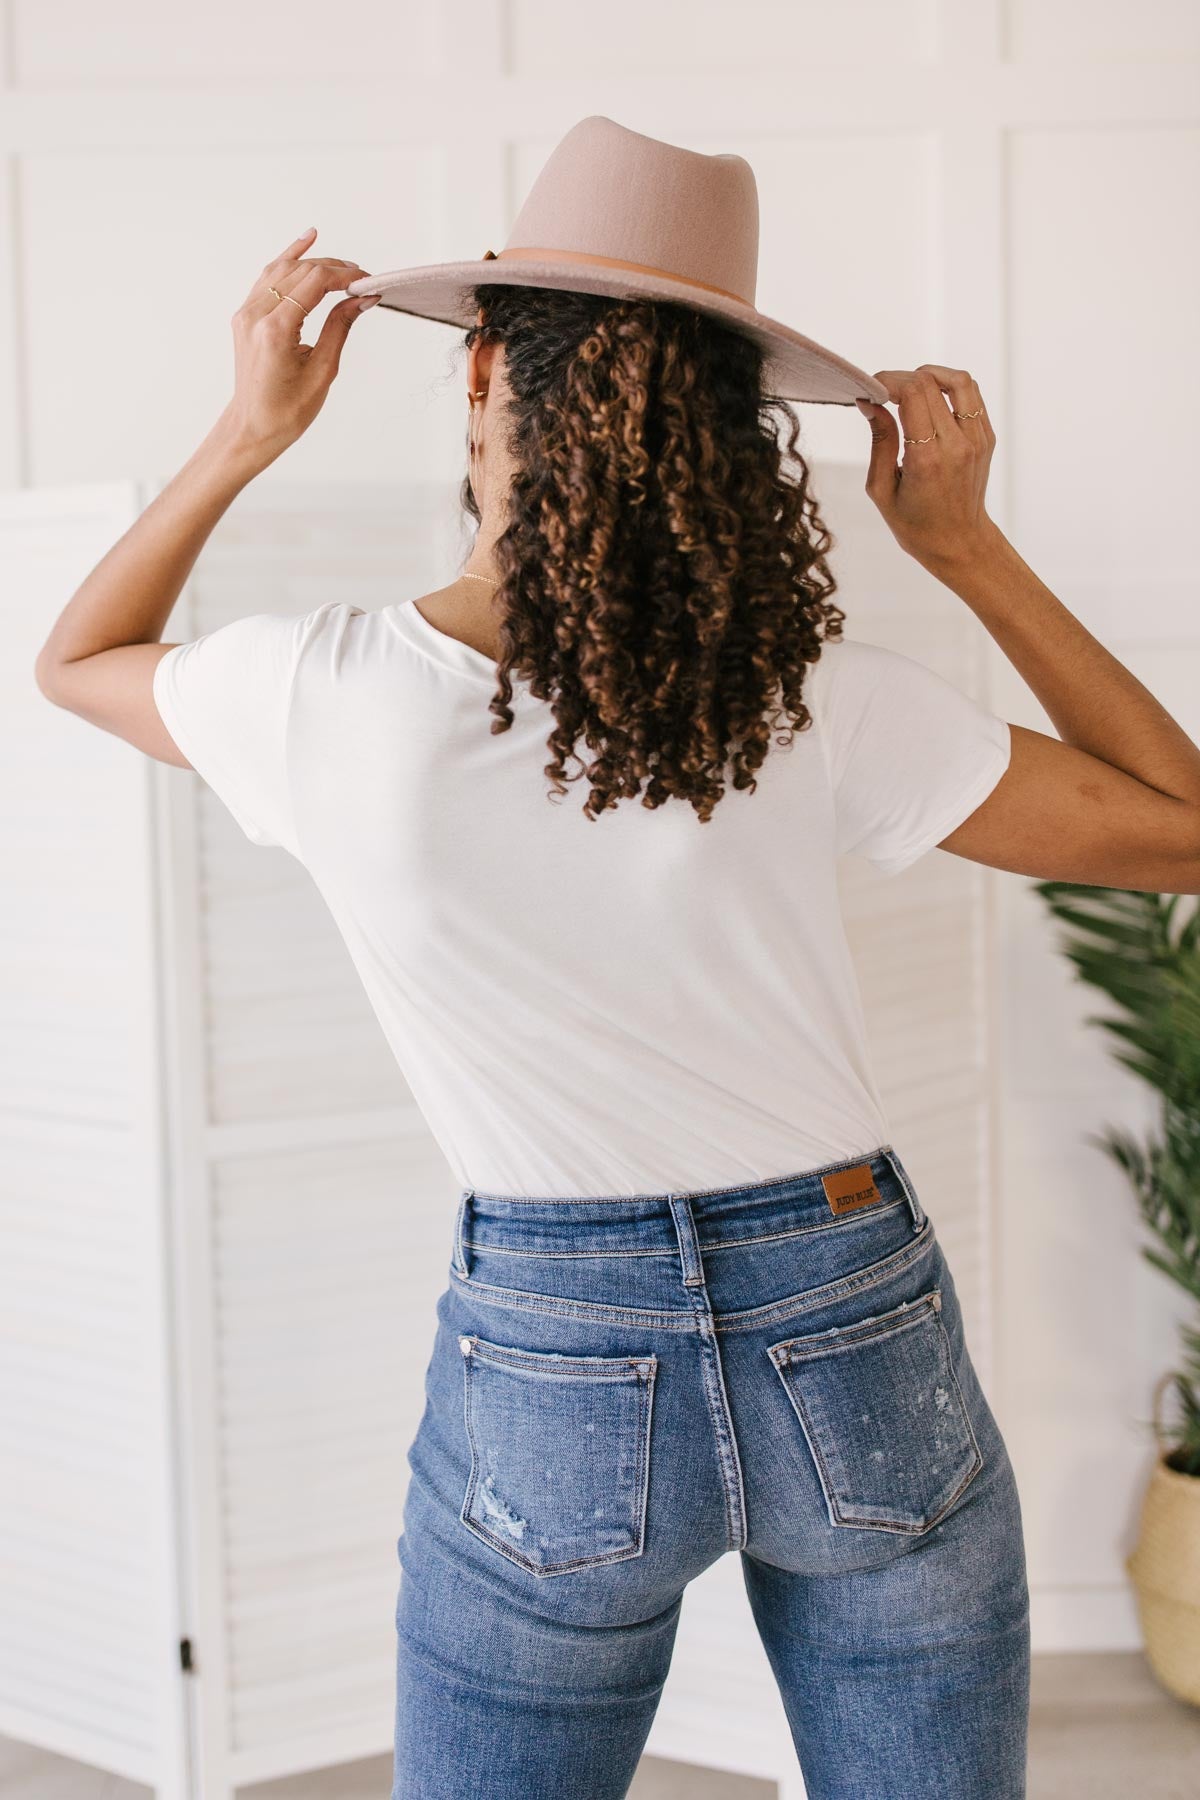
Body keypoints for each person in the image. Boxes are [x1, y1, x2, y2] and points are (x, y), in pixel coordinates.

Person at [35, 118, 1200, 1800]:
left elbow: (80, 659)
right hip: (850, 1311)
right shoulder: (815, 701)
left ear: (480, 377)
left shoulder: (324, 697)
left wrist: (245, 431)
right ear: (728, 436)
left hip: (552, 1354)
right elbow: (1182, 824)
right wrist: (965, 547)